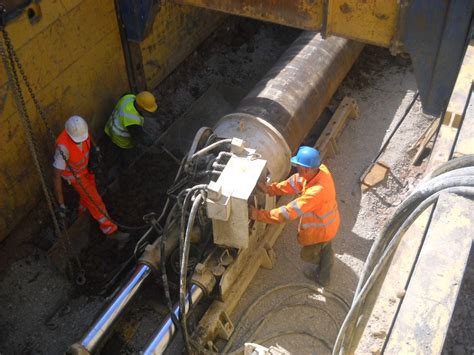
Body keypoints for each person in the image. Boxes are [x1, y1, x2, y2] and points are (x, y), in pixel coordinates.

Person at [249, 146, 340, 286]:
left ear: (306, 169)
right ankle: (325, 266)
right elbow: (294, 183)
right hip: (328, 223)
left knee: (309, 254)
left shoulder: (316, 192)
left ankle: (323, 277)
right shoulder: (318, 170)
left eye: (298, 167)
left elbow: (287, 213)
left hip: (321, 230)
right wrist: (271, 189)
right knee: (326, 248)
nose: (296, 169)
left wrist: (258, 215)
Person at [53, 115, 129, 242]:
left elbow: (88, 137)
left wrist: (96, 148)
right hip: (76, 177)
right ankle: (110, 230)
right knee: (95, 201)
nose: (81, 140)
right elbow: (55, 177)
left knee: (88, 197)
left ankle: (82, 215)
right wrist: (61, 204)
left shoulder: (81, 131)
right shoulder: (63, 148)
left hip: (86, 169)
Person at [104, 91, 157, 169]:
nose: (147, 112)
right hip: (120, 140)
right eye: (146, 110)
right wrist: (153, 143)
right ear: (140, 107)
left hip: (111, 126)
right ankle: (125, 168)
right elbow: (140, 136)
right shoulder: (132, 119)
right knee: (127, 157)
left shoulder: (128, 97)